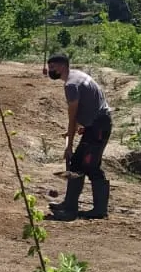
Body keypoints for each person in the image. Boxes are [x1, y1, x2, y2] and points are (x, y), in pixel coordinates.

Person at [45, 53, 112, 220]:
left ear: (62, 66)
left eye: (52, 67)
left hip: (98, 127)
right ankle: (69, 204)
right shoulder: (77, 75)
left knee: (90, 166)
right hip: (97, 124)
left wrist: (69, 145)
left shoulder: (70, 85)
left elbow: (72, 116)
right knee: (77, 164)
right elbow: (90, 104)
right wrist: (83, 126)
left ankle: (93, 210)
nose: (50, 71)